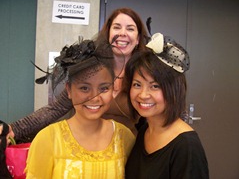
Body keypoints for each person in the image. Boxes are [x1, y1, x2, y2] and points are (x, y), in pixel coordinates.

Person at [9, 8, 149, 142]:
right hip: (86, 146)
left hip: (128, 150)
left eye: (130, 28)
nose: (123, 33)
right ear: (108, 34)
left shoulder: (144, 74)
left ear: (137, 39)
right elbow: (57, 108)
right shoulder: (90, 69)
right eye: (117, 27)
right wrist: (14, 129)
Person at [25, 39, 135, 178]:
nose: (95, 97)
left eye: (104, 88)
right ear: (69, 90)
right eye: (84, 88)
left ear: (113, 89)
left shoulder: (124, 137)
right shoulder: (48, 139)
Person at [124, 33, 209, 178]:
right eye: (137, 84)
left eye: (155, 86)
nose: (143, 94)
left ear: (174, 90)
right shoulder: (145, 131)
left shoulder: (186, 146)